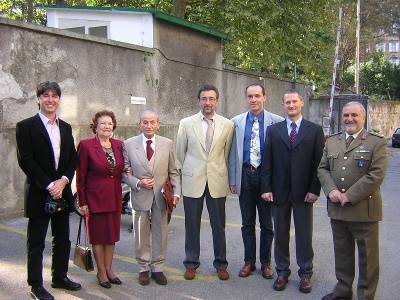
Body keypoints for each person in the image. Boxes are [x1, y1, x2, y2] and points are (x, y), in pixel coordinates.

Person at [16, 81, 81, 300]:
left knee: (62, 239)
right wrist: (49, 184)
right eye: (46, 96)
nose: (50, 100)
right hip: (39, 192)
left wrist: (63, 181)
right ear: (38, 99)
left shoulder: (65, 127)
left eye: (54, 96)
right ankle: (35, 285)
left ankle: (60, 277)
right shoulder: (25, 126)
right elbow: (26, 161)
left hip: (61, 192)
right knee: (36, 242)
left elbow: (72, 158)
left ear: (59, 100)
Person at [318, 101, 387, 300]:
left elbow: (376, 174)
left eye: (354, 115)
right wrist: (330, 190)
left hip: (364, 211)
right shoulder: (332, 141)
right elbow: (322, 168)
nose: (349, 119)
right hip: (337, 210)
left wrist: (349, 195)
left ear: (363, 117)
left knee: (368, 259)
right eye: (346, 115)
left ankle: (365, 296)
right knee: (342, 254)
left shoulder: (376, 142)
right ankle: (342, 292)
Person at [260, 89, 324, 293]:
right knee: (280, 234)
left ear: (301, 103)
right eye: (287, 102)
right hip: (279, 192)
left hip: (304, 193)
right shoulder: (273, 130)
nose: (291, 105)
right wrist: (266, 188)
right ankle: (282, 272)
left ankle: (306, 274)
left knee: (304, 235)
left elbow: (319, 163)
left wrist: (315, 189)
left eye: (294, 101)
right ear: (283, 105)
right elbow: (267, 161)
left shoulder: (314, 130)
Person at [176, 84, 234, 281]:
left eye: (211, 99)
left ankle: (221, 264)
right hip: (193, 181)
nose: (207, 102)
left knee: (219, 226)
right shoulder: (186, 123)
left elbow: (226, 155)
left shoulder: (228, 125)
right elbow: (179, 155)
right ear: (199, 100)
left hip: (217, 180)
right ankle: (191, 263)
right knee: (191, 225)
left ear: (217, 101)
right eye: (204, 99)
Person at [228, 83, 283, 279]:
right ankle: (249, 261)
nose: (254, 99)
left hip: (266, 178)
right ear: (246, 98)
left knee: (267, 224)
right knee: (247, 223)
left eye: (257, 96)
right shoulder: (236, 122)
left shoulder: (277, 122)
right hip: (245, 175)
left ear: (264, 97)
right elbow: (232, 153)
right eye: (250, 96)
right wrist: (233, 179)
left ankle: (266, 263)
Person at [123, 110, 180, 286]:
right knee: (141, 233)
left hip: (161, 196)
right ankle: (143, 268)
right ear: (139, 124)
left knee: (161, 232)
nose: (149, 126)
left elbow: (173, 170)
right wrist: (138, 183)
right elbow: (124, 173)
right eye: (145, 122)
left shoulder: (167, 143)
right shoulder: (129, 144)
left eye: (152, 122)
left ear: (158, 125)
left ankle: (158, 267)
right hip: (140, 194)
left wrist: (176, 192)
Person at [76, 110, 125, 289]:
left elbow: (123, 170)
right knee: (97, 237)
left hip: (114, 197)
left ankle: (109, 269)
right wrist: (82, 201)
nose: (107, 126)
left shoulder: (119, 145)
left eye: (110, 123)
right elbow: (80, 176)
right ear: (95, 127)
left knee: (111, 237)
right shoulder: (86, 145)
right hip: (94, 199)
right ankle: (101, 271)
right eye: (103, 123)